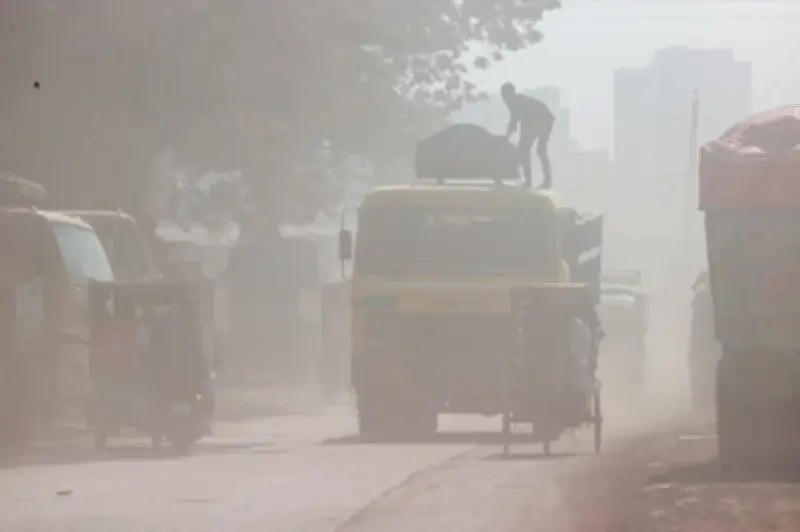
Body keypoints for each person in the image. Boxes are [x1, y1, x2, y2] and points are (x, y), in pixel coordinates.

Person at [501, 82, 556, 188]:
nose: (504, 98)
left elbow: (515, 121)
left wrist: (506, 137)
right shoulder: (516, 100)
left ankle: (532, 180)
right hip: (542, 120)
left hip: (541, 120)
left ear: (510, 93)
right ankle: (540, 180)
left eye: (505, 95)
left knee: (526, 148)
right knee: (535, 149)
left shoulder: (515, 101)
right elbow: (516, 122)